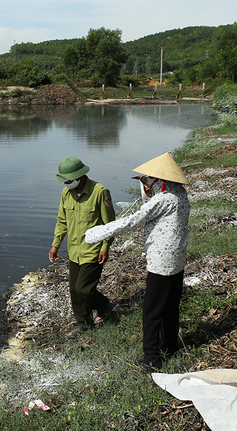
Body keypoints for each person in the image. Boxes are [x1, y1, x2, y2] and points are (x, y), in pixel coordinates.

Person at [84, 152, 191, 369]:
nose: (144, 185)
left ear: (158, 182)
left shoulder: (163, 199)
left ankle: (151, 359)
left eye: (145, 180)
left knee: (151, 312)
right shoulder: (180, 194)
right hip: (177, 262)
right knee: (170, 308)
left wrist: (96, 233)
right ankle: (170, 347)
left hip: (161, 266)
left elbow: (132, 221)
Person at [49, 156, 116, 337]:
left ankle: (104, 305)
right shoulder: (66, 194)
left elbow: (109, 224)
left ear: (79, 177)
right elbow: (62, 221)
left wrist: (105, 247)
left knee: (84, 289)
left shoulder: (100, 192)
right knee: (74, 292)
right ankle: (85, 326)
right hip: (74, 252)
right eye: (64, 180)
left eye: (69, 180)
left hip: (93, 251)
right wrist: (56, 244)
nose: (66, 183)